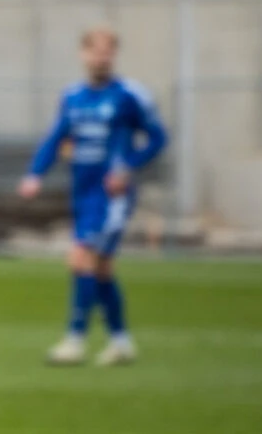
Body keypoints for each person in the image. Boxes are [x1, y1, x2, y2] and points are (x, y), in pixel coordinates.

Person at [19, 26, 167, 366]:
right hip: (83, 193)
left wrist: (127, 167)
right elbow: (56, 138)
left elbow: (158, 138)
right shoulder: (73, 97)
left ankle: (75, 340)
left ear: (114, 55)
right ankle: (121, 342)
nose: (102, 58)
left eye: (108, 52)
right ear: (83, 54)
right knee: (101, 270)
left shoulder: (130, 95)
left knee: (79, 258)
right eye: (96, 52)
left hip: (111, 195)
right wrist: (34, 174)